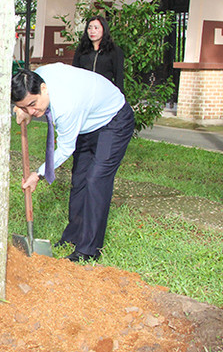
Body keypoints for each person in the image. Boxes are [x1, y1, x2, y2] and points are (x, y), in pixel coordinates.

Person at [11, 63, 135, 262]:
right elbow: (27, 101)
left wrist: (38, 174)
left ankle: (88, 250)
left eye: (33, 104)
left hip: (114, 120)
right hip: (87, 124)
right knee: (79, 180)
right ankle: (73, 236)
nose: (32, 111)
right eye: (26, 106)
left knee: (96, 181)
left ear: (43, 88)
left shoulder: (66, 106)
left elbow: (65, 149)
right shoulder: (35, 77)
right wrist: (21, 109)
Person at [72, 15, 125, 93]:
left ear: (104, 29)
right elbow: (75, 73)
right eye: (89, 28)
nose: (92, 31)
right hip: (85, 93)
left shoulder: (114, 51)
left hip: (105, 93)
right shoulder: (82, 49)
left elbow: (119, 77)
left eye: (96, 28)